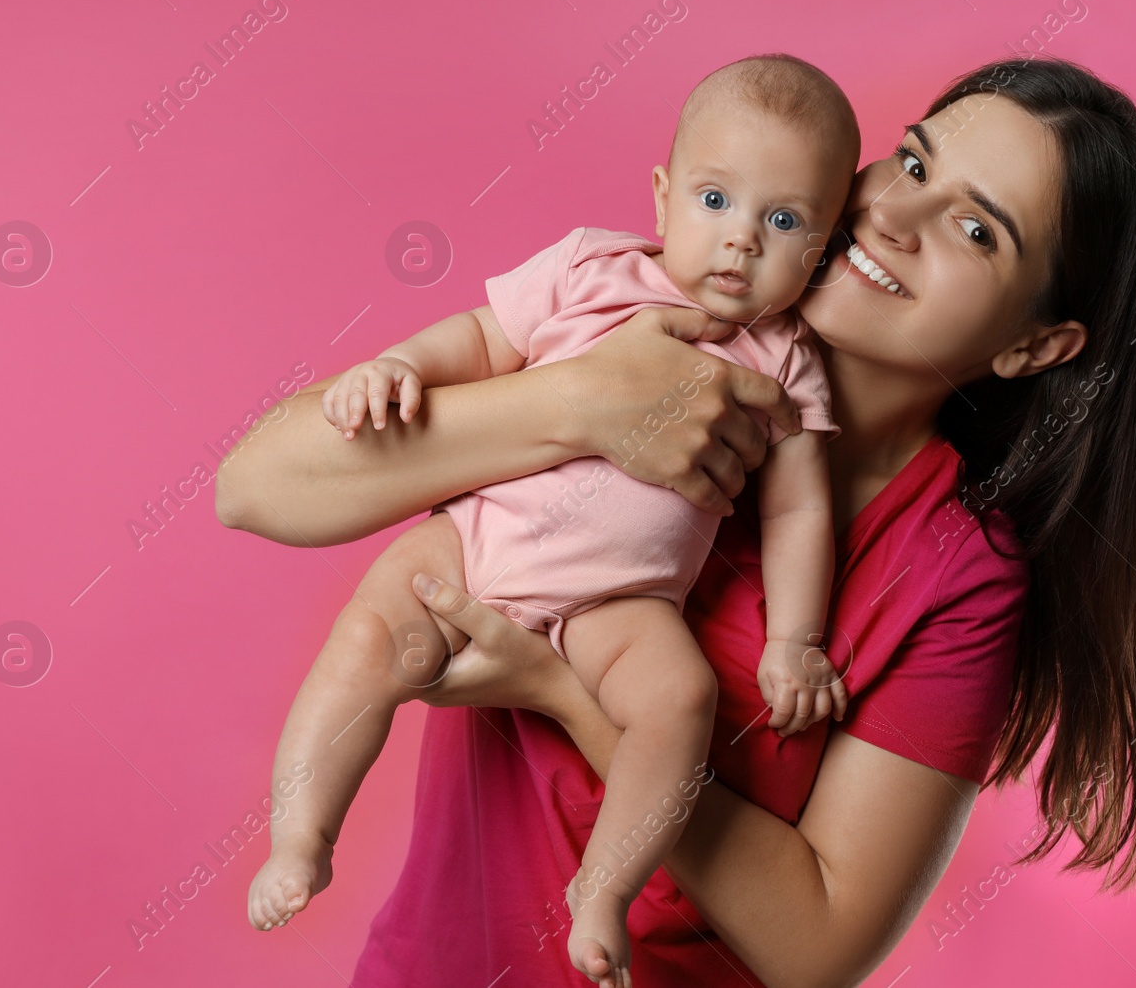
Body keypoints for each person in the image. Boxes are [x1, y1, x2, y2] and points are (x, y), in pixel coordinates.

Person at [215, 57, 1136, 988]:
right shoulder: (626, 306)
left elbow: (817, 947)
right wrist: (580, 403)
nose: (893, 214)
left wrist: (558, 690)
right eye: (910, 160)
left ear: (1037, 345)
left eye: (977, 229)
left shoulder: (954, 574)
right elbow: (256, 486)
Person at [245, 55, 861, 987]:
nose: (740, 241)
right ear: (661, 197)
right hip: (481, 532)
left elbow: (801, 505)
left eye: (782, 222)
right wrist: (394, 365)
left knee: (680, 703)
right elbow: (482, 339)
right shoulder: (589, 267)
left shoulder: (784, 360)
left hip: (622, 599)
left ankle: (603, 888)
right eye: (714, 200)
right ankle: (301, 831)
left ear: (818, 250)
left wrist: (794, 642)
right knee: (367, 641)